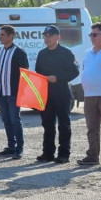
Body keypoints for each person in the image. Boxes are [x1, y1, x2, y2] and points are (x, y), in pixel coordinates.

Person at [34, 26, 80, 163]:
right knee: (47, 124)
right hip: (45, 93)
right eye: (45, 36)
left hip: (61, 92)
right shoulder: (42, 54)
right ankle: (47, 153)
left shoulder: (66, 53)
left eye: (50, 35)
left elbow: (74, 72)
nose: (47, 38)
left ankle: (64, 154)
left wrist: (58, 77)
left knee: (63, 124)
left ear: (58, 37)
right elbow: (38, 72)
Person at [77, 23, 101, 168]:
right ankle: (92, 156)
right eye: (90, 35)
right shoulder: (88, 53)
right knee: (92, 127)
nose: (92, 37)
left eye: (95, 34)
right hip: (89, 96)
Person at [0, 25, 30, 159]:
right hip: (1, 91)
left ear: (11, 36)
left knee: (15, 119)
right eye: (0, 35)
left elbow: (25, 72)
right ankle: (10, 146)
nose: (0, 37)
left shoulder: (19, 52)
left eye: (3, 34)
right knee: (6, 120)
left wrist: (22, 91)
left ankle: (19, 148)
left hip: (13, 92)